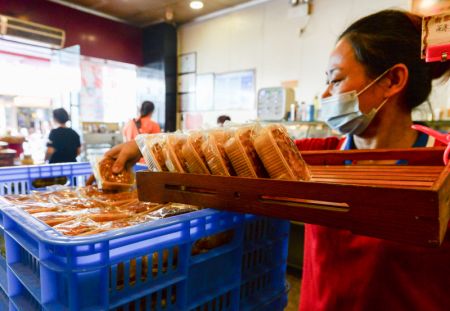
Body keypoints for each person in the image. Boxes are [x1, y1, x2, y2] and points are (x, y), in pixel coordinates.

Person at [104, 9, 450, 310]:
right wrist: (143, 146)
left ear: (392, 80)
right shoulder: (319, 154)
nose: (326, 94)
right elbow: (223, 144)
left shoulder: (442, 164)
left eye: (337, 79)